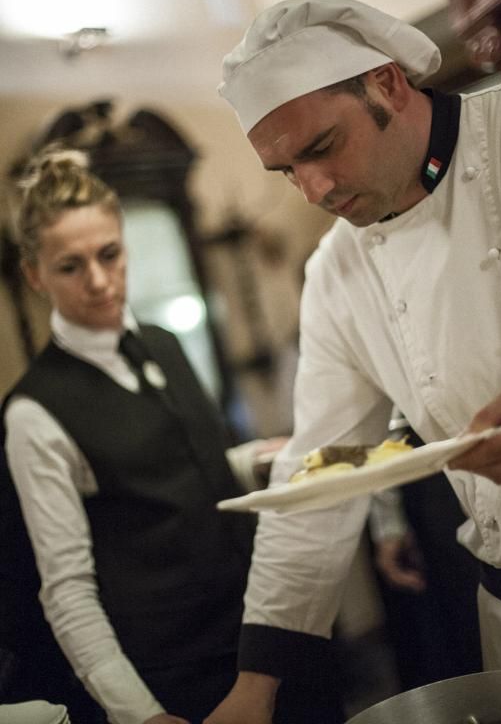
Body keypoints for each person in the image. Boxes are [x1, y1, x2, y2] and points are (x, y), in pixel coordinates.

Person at [202, 0, 501, 722]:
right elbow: (322, 474)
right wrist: (253, 690)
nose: (313, 190)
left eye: (320, 147)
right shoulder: (335, 274)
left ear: (385, 83)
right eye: (285, 171)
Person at [0, 147, 301, 724]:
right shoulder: (34, 413)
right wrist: (139, 714)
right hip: (173, 674)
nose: (98, 280)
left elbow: (176, 470)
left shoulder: (163, 341)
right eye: (70, 265)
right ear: (35, 274)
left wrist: (254, 460)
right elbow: (66, 591)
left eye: (109, 254)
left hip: (259, 633)